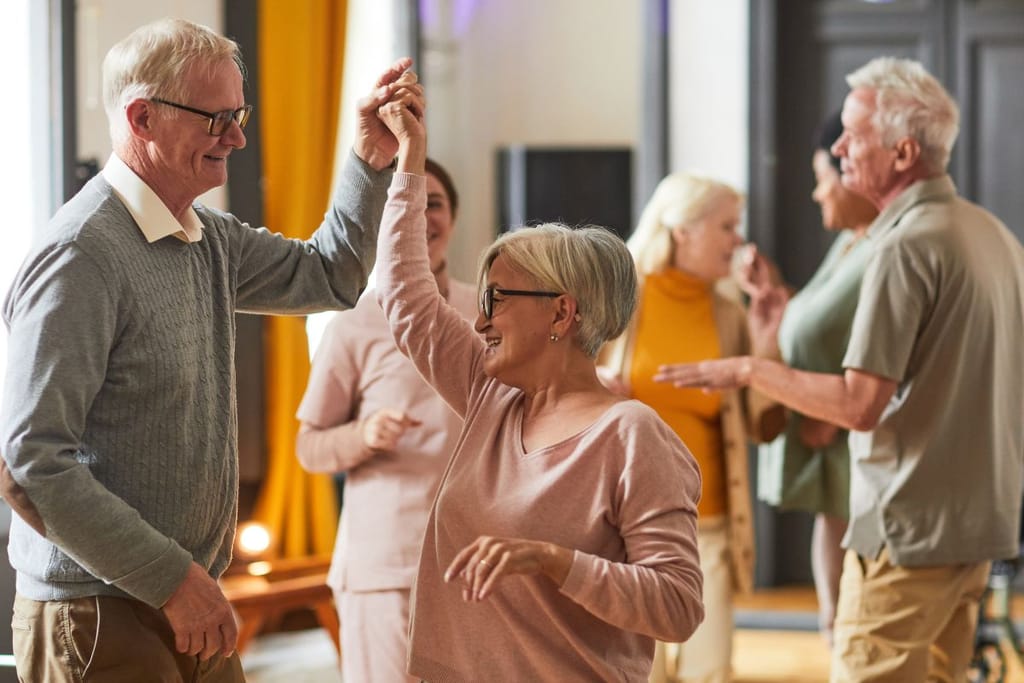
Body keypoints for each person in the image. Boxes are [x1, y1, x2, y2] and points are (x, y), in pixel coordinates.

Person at [0, 18, 421, 682]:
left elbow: (331, 274)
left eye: (240, 113)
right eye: (217, 118)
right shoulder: (81, 254)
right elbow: (31, 465)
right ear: (142, 118)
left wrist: (369, 159)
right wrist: (174, 579)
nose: (239, 136)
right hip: (101, 611)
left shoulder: (206, 237)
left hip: (184, 597)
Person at [655, 56, 1024, 682]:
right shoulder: (991, 233)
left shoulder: (903, 244)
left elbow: (859, 405)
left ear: (904, 151)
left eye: (854, 135)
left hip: (907, 534)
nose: (841, 148)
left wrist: (749, 367)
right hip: (979, 528)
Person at [371, 87, 704, 682]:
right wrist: (410, 158)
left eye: (497, 299)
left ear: (561, 313)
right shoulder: (488, 394)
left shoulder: (631, 435)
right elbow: (406, 296)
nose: (480, 319)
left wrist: (555, 562)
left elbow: (678, 606)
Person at [295, 157, 477, 683]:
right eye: (409, 203)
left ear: (454, 219)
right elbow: (310, 446)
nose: (422, 215)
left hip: (475, 562)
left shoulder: (486, 316)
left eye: (435, 203)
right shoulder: (354, 320)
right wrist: (363, 436)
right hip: (386, 566)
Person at [598, 173, 782, 683]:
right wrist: (593, 383)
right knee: (637, 672)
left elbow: (764, 423)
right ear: (683, 230)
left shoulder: (728, 313)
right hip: (625, 526)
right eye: (726, 227)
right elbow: (559, 385)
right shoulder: (617, 297)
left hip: (709, 527)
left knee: (710, 671)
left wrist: (766, 340)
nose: (737, 241)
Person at [741, 111, 878, 647]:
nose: (818, 193)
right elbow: (824, 317)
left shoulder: (883, 251)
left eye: (823, 177)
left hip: (848, 428)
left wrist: (839, 421)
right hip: (827, 425)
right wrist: (777, 295)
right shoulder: (847, 243)